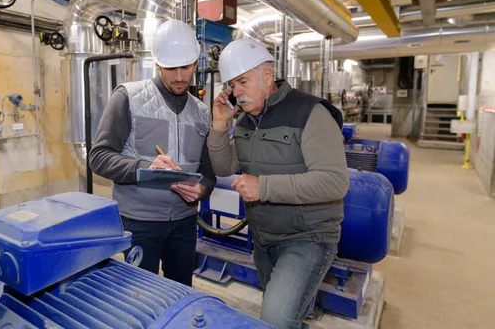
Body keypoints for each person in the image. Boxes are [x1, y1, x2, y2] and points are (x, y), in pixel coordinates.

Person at [207, 38, 349, 328]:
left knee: (276, 318)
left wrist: (264, 186)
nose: (237, 93)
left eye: (243, 82)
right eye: (232, 85)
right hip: (263, 239)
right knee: (284, 319)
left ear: (267, 76)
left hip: (308, 238)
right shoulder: (245, 121)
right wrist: (220, 126)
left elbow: (335, 182)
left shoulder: (310, 113)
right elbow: (224, 167)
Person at [89, 19, 216, 286]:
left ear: (196, 63)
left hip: (184, 222)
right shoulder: (129, 97)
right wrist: (145, 167)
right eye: (171, 68)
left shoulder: (202, 112)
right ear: (157, 63)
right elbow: (99, 157)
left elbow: (207, 170)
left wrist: (202, 189)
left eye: (186, 67)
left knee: (179, 291)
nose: (180, 76)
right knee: (137, 297)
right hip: (138, 222)